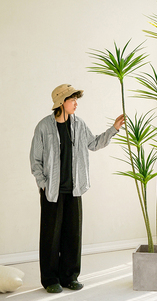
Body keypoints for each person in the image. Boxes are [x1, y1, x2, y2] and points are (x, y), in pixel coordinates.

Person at [30, 84, 124, 293]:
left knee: (73, 235)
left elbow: (94, 144)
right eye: (72, 100)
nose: (76, 103)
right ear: (61, 102)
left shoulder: (79, 125)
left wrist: (114, 129)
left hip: (74, 189)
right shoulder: (44, 127)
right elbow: (35, 160)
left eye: (75, 99)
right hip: (52, 192)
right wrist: (43, 185)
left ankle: (70, 276)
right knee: (50, 237)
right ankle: (51, 279)